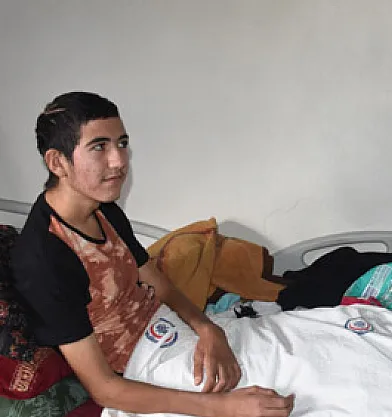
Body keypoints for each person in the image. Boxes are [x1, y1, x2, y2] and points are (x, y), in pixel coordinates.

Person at [11, 91, 295, 417]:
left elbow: (156, 281)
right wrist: (223, 407)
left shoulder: (104, 209)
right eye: (99, 147)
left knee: (294, 341)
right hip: (139, 366)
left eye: (121, 143)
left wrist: (206, 328)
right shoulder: (45, 258)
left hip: (168, 326)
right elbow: (103, 388)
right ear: (57, 162)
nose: (119, 161)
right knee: (279, 385)